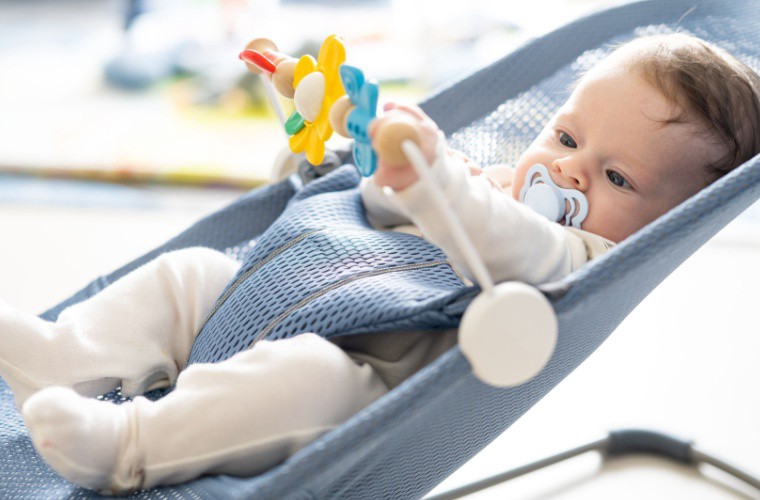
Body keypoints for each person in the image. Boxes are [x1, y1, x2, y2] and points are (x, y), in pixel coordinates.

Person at [2, 33, 759, 494]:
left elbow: (509, 244)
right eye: (565, 138)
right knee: (189, 275)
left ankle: (128, 446)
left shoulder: (576, 253)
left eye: (617, 177)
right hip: (277, 289)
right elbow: (384, 205)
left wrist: (437, 180)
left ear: (668, 224)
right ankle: (65, 356)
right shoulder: (490, 184)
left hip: (358, 366)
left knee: (304, 381)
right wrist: (383, 164)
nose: (568, 171)